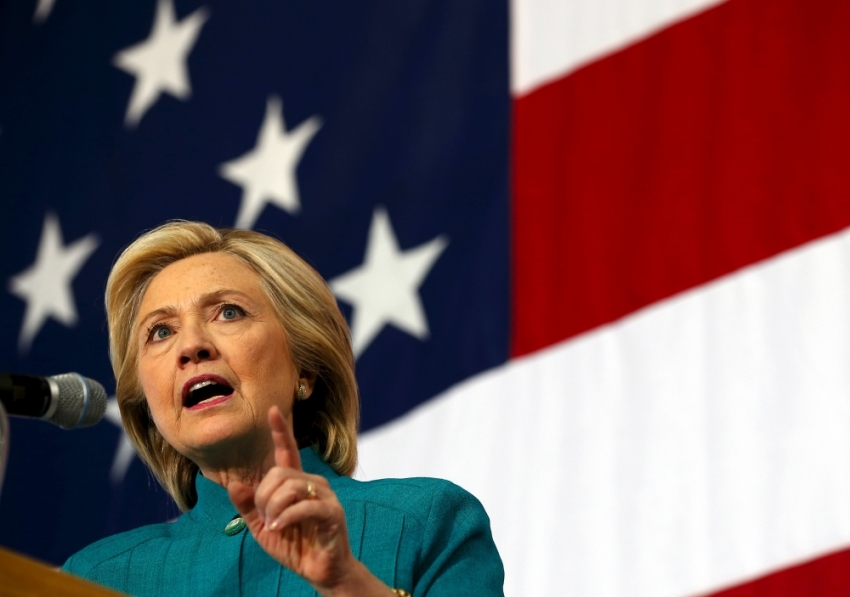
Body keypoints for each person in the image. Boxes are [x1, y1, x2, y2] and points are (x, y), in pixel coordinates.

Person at [61, 221, 504, 597]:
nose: (192, 345)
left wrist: (348, 582)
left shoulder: (427, 519)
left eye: (228, 312)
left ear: (305, 370)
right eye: (159, 331)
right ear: (147, 402)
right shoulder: (93, 577)